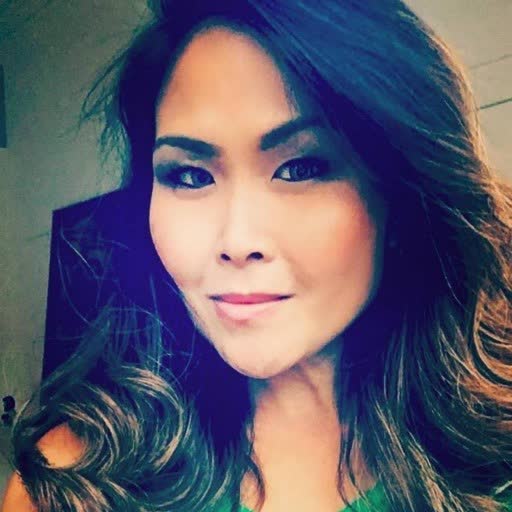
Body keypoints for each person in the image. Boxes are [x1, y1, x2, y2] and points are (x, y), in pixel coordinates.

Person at [2, 1, 512, 510]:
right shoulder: (72, 484)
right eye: (190, 176)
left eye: (300, 168)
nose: (237, 240)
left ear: (400, 198)